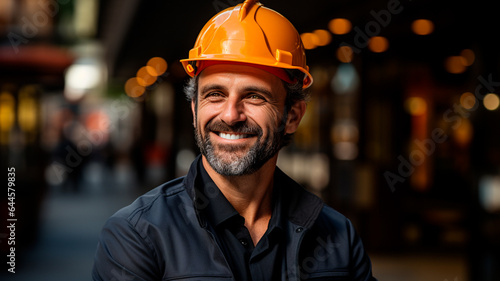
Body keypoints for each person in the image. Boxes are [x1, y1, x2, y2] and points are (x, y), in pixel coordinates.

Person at [92, 1, 377, 280]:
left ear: (292, 116)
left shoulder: (340, 238)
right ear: (194, 110)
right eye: (215, 94)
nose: (230, 115)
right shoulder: (136, 236)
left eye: (254, 96)